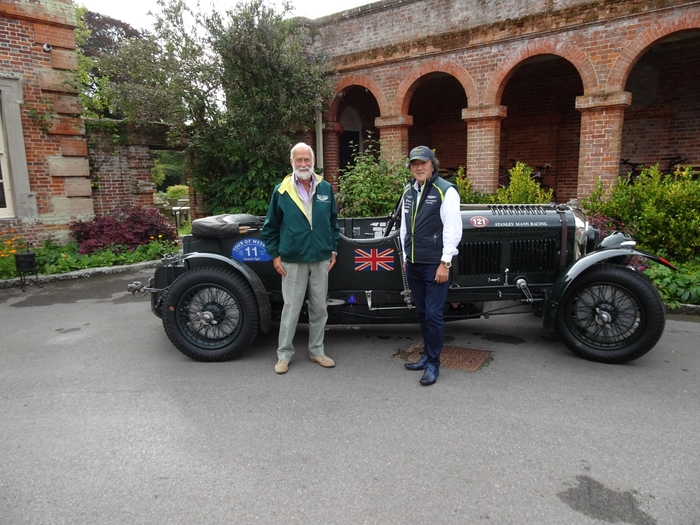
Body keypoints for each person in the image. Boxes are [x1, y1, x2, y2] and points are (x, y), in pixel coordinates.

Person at [262, 142, 340, 375]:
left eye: (307, 159)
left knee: (319, 308)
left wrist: (333, 249)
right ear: (292, 162)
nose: (304, 164)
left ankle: (317, 351)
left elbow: (333, 223)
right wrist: (275, 255)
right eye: (299, 160)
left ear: (313, 161)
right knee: (291, 309)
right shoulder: (282, 191)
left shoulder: (325, 188)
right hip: (292, 260)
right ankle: (284, 355)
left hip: (320, 257)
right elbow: (271, 227)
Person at [399, 146, 462, 385]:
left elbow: (453, 229)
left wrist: (445, 262)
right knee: (422, 312)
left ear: (432, 165)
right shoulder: (408, 192)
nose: (419, 167)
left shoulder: (446, 191)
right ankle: (426, 356)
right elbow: (405, 228)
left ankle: (434, 364)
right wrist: (406, 257)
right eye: (414, 163)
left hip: (435, 265)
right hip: (414, 264)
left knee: (434, 314)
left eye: (423, 163)